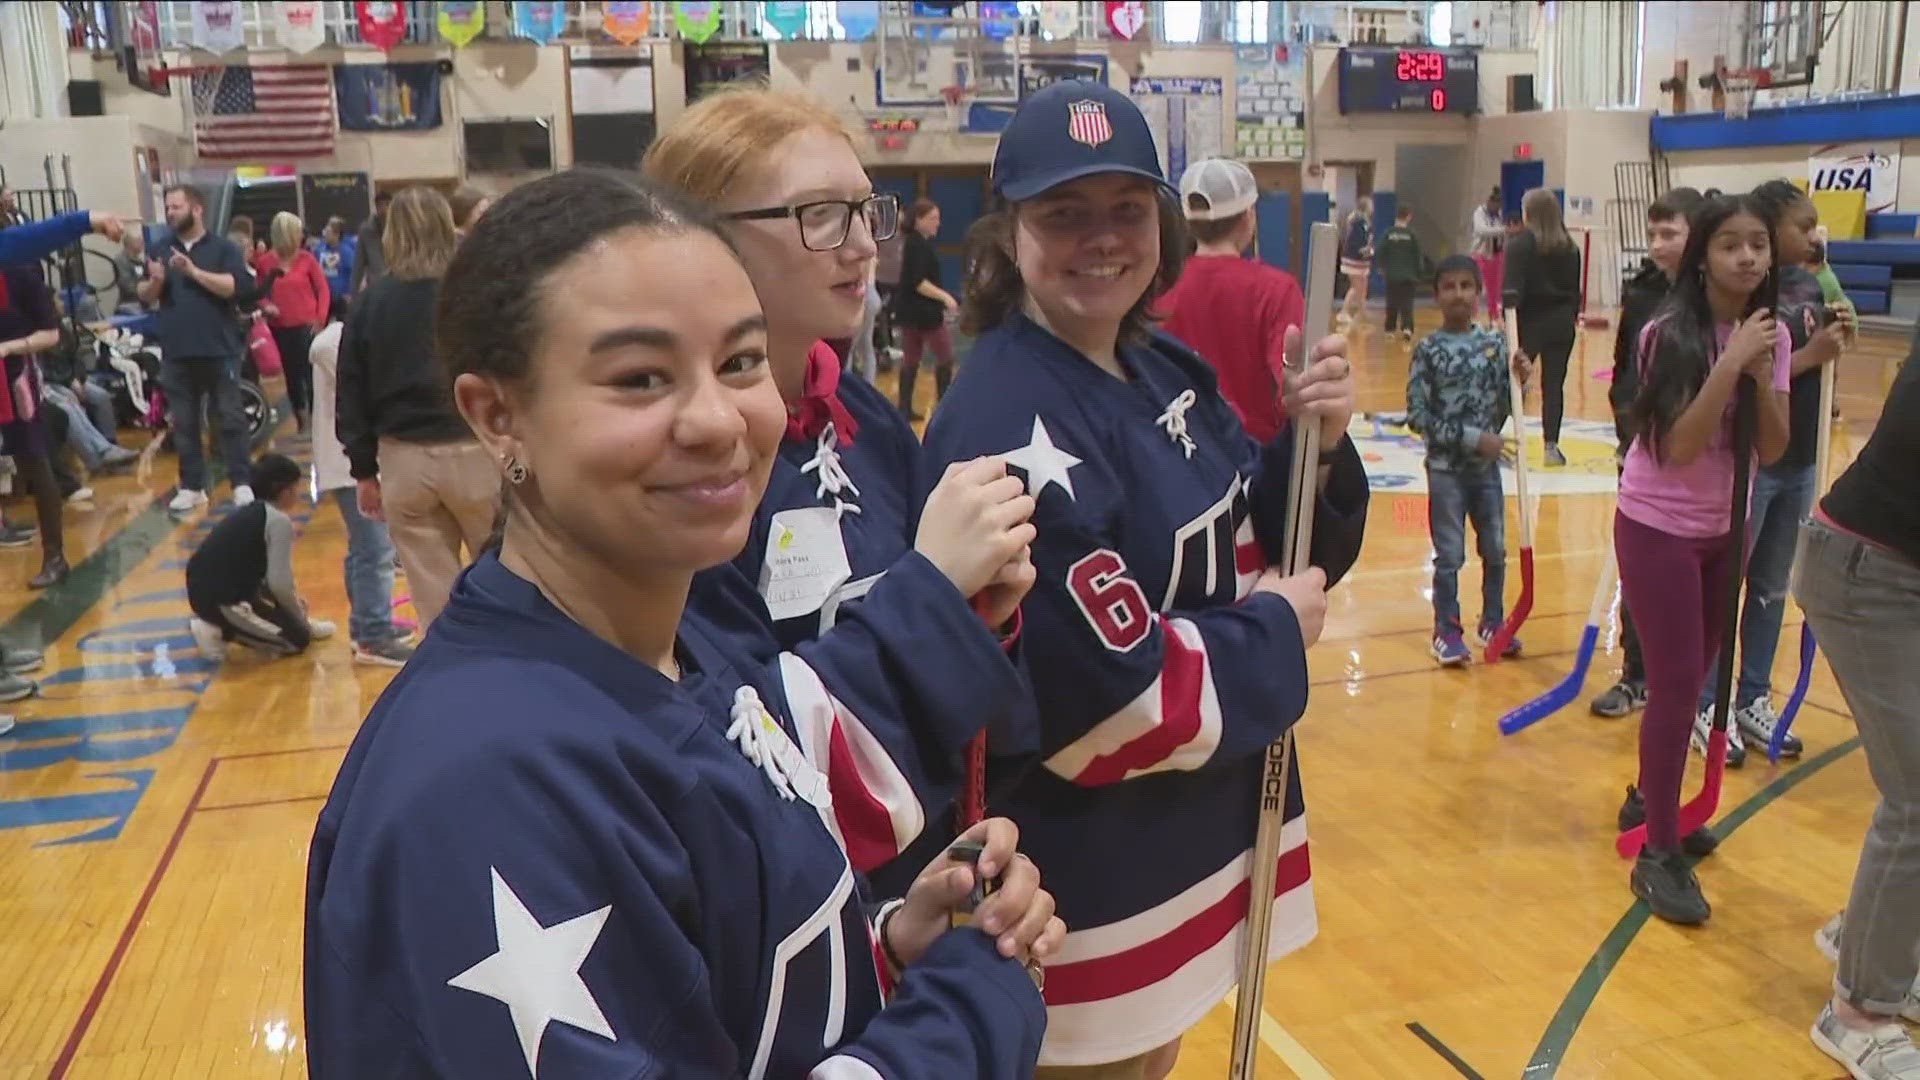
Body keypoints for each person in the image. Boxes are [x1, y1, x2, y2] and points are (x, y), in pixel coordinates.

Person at [304, 168, 1058, 1079]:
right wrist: (976, 1006)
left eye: (740, 361)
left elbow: (715, 983)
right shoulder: (486, 793)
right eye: (639, 378)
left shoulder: (688, 638)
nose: (714, 420)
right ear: (498, 416)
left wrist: (890, 954)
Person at [925, 80, 1368, 1076]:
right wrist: (1274, 633)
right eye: (1063, 213)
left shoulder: (1165, 368)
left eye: (1126, 210)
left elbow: (1261, 535)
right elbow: (1100, 698)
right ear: (1008, 233)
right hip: (1090, 869)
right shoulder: (998, 418)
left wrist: (1320, 449)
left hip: (1190, 835)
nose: (1101, 239)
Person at [643, 89, 1040, 897]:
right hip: (796, 897)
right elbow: (733, 742)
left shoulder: (864, 417)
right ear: (704, 236)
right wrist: (934, 591)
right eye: (823, 215)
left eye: (867, 211)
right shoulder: (692, 468)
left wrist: (980, 609)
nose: (864, 246)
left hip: (910, 882)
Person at [1613, 192, 1793, 925]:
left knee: (1700, 680)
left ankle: (1646, 797)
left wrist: (1760, 372)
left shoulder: (1769, 337)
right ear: (1703, 257)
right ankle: (1659, 850)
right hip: (1658, 525)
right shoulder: (1667, 333)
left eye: (1759, 244)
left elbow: (1774, 448)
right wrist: (1731, 366)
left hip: (1729, 526)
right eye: (1730, 245)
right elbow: (1678, 447)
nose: (1747, 257)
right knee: (1681, 682)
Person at [1690, 180, 1852, 761]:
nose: (1812, 237)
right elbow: (1768, 368)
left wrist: (1839, 337)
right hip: (1755, 461)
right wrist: (1813, 356)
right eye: (1801, 228)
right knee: (1728, 584)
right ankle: (1707, 701)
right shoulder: (1753, 300)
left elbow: (1818, 346)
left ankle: (1752, 695)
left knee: (1770, 589)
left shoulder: (1810, 284)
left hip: (1802, 456)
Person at [1795, 342, 1920, 1080]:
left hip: (1893, 571)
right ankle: (1858, 1011)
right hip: (1868, 579)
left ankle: (1876, 937)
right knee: (1917, 797)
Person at [336, 187, 498, 631]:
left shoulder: (370, 303)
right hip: (477, 451)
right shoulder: (475, 295)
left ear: (392, 235)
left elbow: (350, 392)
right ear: (448, 228)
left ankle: (449, 686)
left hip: (404, 461)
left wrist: (363, 472)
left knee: (435, 602)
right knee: (508, 581)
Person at [1592, 186, 1704, 719]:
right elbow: (1623, 372)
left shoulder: (1714, 298)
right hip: (1640, 454)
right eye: (1653, 233)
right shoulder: (1641, 292)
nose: (1658, 244)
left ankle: (1693, 687)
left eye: (1670, 233)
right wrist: (1626, 427)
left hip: (1698, 467)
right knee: (1638, 574)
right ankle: (1636, 674)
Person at [1407, 255, 1532, 666]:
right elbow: (1418, 416)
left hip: (1486, 474)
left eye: (1466, 285)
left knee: (1495, 549)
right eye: (1449, 287)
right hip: (1446, 473)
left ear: (1479, 293)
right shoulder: (1428, 350)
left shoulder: (1495, 344)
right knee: (1450, 555)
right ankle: (1446, 630)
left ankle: (1493, 622)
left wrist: (1521, 379)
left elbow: (1507, 404)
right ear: (1437, 295)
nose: (1458, 294)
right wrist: (1475, 439)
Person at [1157, 156, 1305, 445]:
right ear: (1249, 216)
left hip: (1177, 450)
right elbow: (1291, 385)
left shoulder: (1158, 287)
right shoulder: (1276, 289)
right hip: (1255, 456)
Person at [138, 184, 256, 512]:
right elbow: (145, 294)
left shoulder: (223, 249)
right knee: (184, 423)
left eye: (176, 206)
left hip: (219, 349)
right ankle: (192, 485)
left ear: (197, 209)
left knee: (230, 418)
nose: (171, 213)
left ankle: (241, 482)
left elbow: (234, 288)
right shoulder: (160, 248)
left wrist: (192, 271)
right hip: (177, 351)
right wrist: (158, 282)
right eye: (168, 208)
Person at [309, 319, 414, 666]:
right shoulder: (338, 338)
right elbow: (322, 350)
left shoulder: (355, 337)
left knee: (363, 550)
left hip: (350, 462)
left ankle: (366, 626)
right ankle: (373, 635)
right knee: (375, 551)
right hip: (348, 463)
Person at [186, 452, 337, 660]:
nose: (298, 494)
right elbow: (280, 583)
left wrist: (293, 606)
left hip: (212, 589)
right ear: (282, 490)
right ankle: (214, 629)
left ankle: (228, 622)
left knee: (290, 612)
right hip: (222, 600)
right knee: (295, 641)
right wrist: (299, 618)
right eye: (294, 488)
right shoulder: (278, 522)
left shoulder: (252, 511)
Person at [0, 260, 71, 587]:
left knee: (33, 461)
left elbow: (51, 334)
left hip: (15, 377)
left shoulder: (20, 273)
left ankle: (55, 556)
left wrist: (9, 347)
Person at [1502, 187, 1583, 467]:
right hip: (1562, 324)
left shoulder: (1520, 244)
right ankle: (1551, 446)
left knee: (1511, 382)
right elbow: (1575, 293)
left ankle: (1495, 441)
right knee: (1554, 386)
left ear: (1529, 212)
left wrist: (1507, 325)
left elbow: (1512, 291)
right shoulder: (1571, 247)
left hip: (1529, 323)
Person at [255, 211, 330, 434]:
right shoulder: (265, 262)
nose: (301, 237)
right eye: (297, 232)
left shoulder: (307, 259)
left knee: (312, 373)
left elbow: (323, 289)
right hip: (281, 327)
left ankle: (319, 417)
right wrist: (265, 305)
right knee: (292, 374)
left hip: (307, 326)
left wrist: (320, 318)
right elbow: (258, 291)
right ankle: (300, 416)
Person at [891, 198, 958, 419]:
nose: (937, 223)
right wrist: (945, 297)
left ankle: (905, 408)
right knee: (945, 356)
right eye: (933, 219)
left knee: (911, 358)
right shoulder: (916, 244)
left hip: (912, 312)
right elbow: (919, 282)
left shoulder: (916, 243)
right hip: (922, 313)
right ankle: (945, 407)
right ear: (919, 220)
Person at [1376, 204, 1422, 341]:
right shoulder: (1412, 235)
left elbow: (1380, 251)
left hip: (1392, 276)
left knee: (1392, 302)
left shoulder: (1388, 234)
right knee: (1407, 303)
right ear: (1409, 217)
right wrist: (1419, 273)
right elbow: (1418, 256)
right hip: (1409, 276)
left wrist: (1382, 267)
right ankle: (1407, 328)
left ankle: (1390, 329)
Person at [1470, 186, 1505, 322]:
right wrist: (1503, 230)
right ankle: (1472, 316)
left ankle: (1493, 317)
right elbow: (1482, 230)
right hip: (1481, 253)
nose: (1497, 208)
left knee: (1495, 290)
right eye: (1495, 205)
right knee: (1477, 286)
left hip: (1496, 253)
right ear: (1489, 202)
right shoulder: (1479, 213)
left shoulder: (1499, 215)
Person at [1338, 195, 1373, 326]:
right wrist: (1367, 250)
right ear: (1366, 207)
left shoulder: (1364, 221)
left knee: (1363, 287)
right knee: (1356, 287)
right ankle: (1343, 312)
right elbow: (1358, 243)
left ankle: (1362, 313)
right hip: (1354, 259)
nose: (1372, 207)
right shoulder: (1358, 221)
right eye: (1371, 205)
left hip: (1361, 261)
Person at [312, 216, 355, 323]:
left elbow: (354, 273)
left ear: (336, 234)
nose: (324, 234)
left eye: (328, 231)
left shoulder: (346, 251)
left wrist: (350, 293)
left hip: (341, 296)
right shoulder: (319, 249)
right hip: (323, 296)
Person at [350, 191, 391, 295]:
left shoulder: (401, 229)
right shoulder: (366, 230)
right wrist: (353, 292)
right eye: (380, 205)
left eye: (387, 204)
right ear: (376, 207)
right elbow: (358, 263)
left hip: (398, 284)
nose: (384, 209)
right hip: (376, 285)